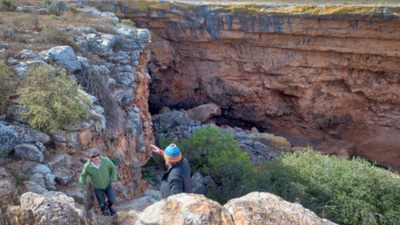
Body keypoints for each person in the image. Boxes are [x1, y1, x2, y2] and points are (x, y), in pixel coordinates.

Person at [77, 148, 117, 216]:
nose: (96, 157)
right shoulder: (87, 166)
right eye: (93, 156)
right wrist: (81, 186)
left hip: (108, 185)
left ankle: (109, 207)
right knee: (102, 204)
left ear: (99, 155)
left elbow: (113, 168)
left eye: (97, 155)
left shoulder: (106, 161)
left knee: (112, 200)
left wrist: (113, 179)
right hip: (98, 188)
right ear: (90, 158)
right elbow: (83, 175)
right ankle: (107, 216)